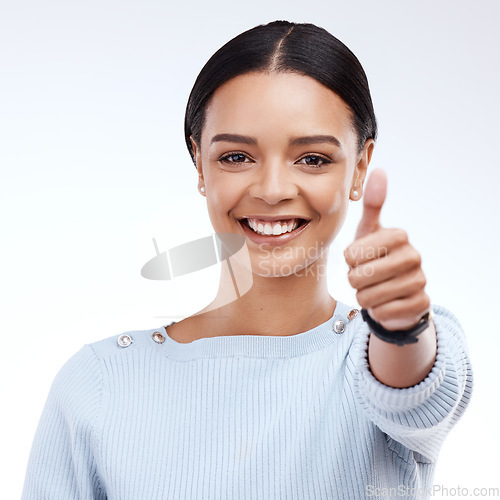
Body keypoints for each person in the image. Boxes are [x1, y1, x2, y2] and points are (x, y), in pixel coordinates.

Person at [22, 20, 473, 499]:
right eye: (237, 157)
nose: (273, 190)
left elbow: (415, 387)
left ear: (360, 166)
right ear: (199, 162)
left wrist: (400, 327)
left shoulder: (378, 357)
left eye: (313, 158)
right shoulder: (99, 383)